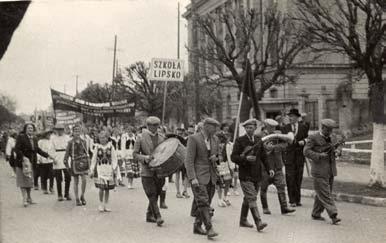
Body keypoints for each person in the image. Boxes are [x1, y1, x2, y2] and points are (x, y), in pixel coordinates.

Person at [231, 119, 274, 232]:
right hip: (245, 175)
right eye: (247, 127)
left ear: (255, 128)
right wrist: (245, 158)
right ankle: (258, 222)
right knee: (252, 197)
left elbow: (264, 157)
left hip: (257, 174)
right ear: (245, 129)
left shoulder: (259, 141)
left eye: (251, 127)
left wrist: (270, 169)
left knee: (248, 198)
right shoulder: (240, 141)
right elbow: (233, 157)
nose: (249, 129)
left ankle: (243, 220)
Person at [185, 118, 220, 239]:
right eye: (214, 127)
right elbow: (188, 160)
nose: (216, 129)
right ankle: (209, 228)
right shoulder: (193, 138)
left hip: (212, 176)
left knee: (207, 201)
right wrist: (192, 177)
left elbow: (219, 155)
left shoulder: (215, 139)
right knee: (204, 201)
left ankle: (197, 226)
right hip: (198, 176)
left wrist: (216, 157)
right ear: (206, 126)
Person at [304, 119, 342, 225]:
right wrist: (319, 155)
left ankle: (316, 213)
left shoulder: (332, 138)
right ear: (322, 128)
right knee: (326, 193)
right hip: (319, 171)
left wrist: (338, 152)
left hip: (330, 170)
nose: (330, 132)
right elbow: (306, 151)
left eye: (331, 130)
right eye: (328, 130)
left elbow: (336, 150)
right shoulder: (313, 137)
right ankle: (333, 215)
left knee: (321, 193)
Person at [133, 116, 166, 226]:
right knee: (151, 193)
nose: (155, 128)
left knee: (156, 193)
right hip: (147, 170)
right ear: (148, 126)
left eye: (156, 125)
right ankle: (158, 216)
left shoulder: (162, 137)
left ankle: (149, 215)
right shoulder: (140, 137)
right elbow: (135, 154)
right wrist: (145, 158)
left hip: (160, 170)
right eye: (152, 125)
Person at [258, 119, 296, 215]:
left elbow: (287, 143)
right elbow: (257, 148)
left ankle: (284, 208)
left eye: (274, 127)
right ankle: (265, 207)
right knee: (263, 188)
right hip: (265, 167)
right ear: (266, 126)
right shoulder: (259, 135)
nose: (273, 129)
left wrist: (276, 147)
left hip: (277, 165)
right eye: (271, 127)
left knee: (281, 186)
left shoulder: (278, 134)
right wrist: (265, 148)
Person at [14, 123, 51, 207]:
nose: (30, 129)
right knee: (22, 181)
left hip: (32, 163)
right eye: (28, 128)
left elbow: (37, 149)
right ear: (25, 129)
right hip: (22, 163)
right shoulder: (21, 137)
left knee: (29, 182)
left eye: (31, 128)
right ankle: (24, 199)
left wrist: (47, 155)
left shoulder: (34, 138)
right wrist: (23, 157)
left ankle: (29, 198)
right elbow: (17, 149)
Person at [282, 108, 309, 207]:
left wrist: (304, 142)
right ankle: (292, 200)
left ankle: (298, 200)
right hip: (289, 157)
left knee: (298, 178)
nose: (290, 118)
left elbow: (307, 138)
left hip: (299, 157)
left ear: (297, 118)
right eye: (289, 116)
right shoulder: (285, 128)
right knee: (290, 178)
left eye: (292, 116)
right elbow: (282, 141)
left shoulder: (303, 127)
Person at [90, 130, 119, 212]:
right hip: (100, 169)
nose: (102, 139)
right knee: (101, 188)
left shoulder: (111, 147)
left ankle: (106, 204)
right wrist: (92, 169)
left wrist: (114, 168)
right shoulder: (97, 147)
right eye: (101, 138)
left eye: (104, 138)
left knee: (107, 189)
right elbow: (94, 159)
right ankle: (100, 203)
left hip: (108, 169)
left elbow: (114, 158)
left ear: (107, 138)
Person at [64, 124, 90, 206]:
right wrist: (67, 167)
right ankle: (77, 198)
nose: (77, 132)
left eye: (78, 131)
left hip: (82, 163)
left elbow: (86, 153)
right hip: (74, 163)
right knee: (75, 181)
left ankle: (82, 195)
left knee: (84, 180)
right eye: (75, 131)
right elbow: (66, 156)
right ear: (73, 132)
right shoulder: (70, 143)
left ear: (80, 131)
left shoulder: (83, 142)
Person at [51, 124, 72, 201]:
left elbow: (70, 148)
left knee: (68, 176)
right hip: (57, 156)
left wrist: (69, 157)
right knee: (58, 177)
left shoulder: (67, 138)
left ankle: (67, 193)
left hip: (66, 156)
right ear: (55, 130)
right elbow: (51, 149)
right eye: (58, 129)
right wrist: (53, 158)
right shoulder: (53, 138)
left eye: (61, 129)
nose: (59, 131)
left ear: (63, 130)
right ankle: (59, 194)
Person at [37, 130, 55, 194]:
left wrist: (54, 158)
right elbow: (38, 151)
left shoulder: (51, 141)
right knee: (43, 175)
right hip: (43, 161)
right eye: (48, 135)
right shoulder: (40, 141)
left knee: (52, 174)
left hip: (50, 160)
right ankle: (44, 188)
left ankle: (51, 187)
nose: (49, 136)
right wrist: (39, 159)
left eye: (50, 135)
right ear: (45, 135)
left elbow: (53, 150)